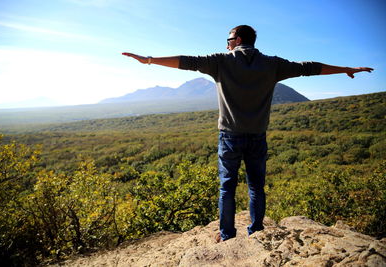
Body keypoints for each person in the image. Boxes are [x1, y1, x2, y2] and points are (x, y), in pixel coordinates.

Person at [122, 25, 373, 242]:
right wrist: (346, 68)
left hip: (229, 136)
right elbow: (308, 67)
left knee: (227, 187)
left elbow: (187, 61)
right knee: (256, 187)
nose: (227, 43)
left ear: (237, 40)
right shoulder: (273, 65)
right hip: (257, 136)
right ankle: (256, 231)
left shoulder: (221, 60)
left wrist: (149, 60)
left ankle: (227, 234)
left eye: (229, 39)